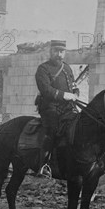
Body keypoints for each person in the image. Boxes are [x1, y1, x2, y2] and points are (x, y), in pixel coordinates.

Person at [35, 40, 78, 173]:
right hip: (50, 106)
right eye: (56, 51)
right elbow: (46, 90)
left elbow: (74, 85)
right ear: (51, 51)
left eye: (62, 51)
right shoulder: (43, 69)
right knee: (52, 130)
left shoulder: (67, 68)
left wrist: (75, 94)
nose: (59, 54)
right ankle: (44, 164)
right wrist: (65, 95)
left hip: (67, 107)